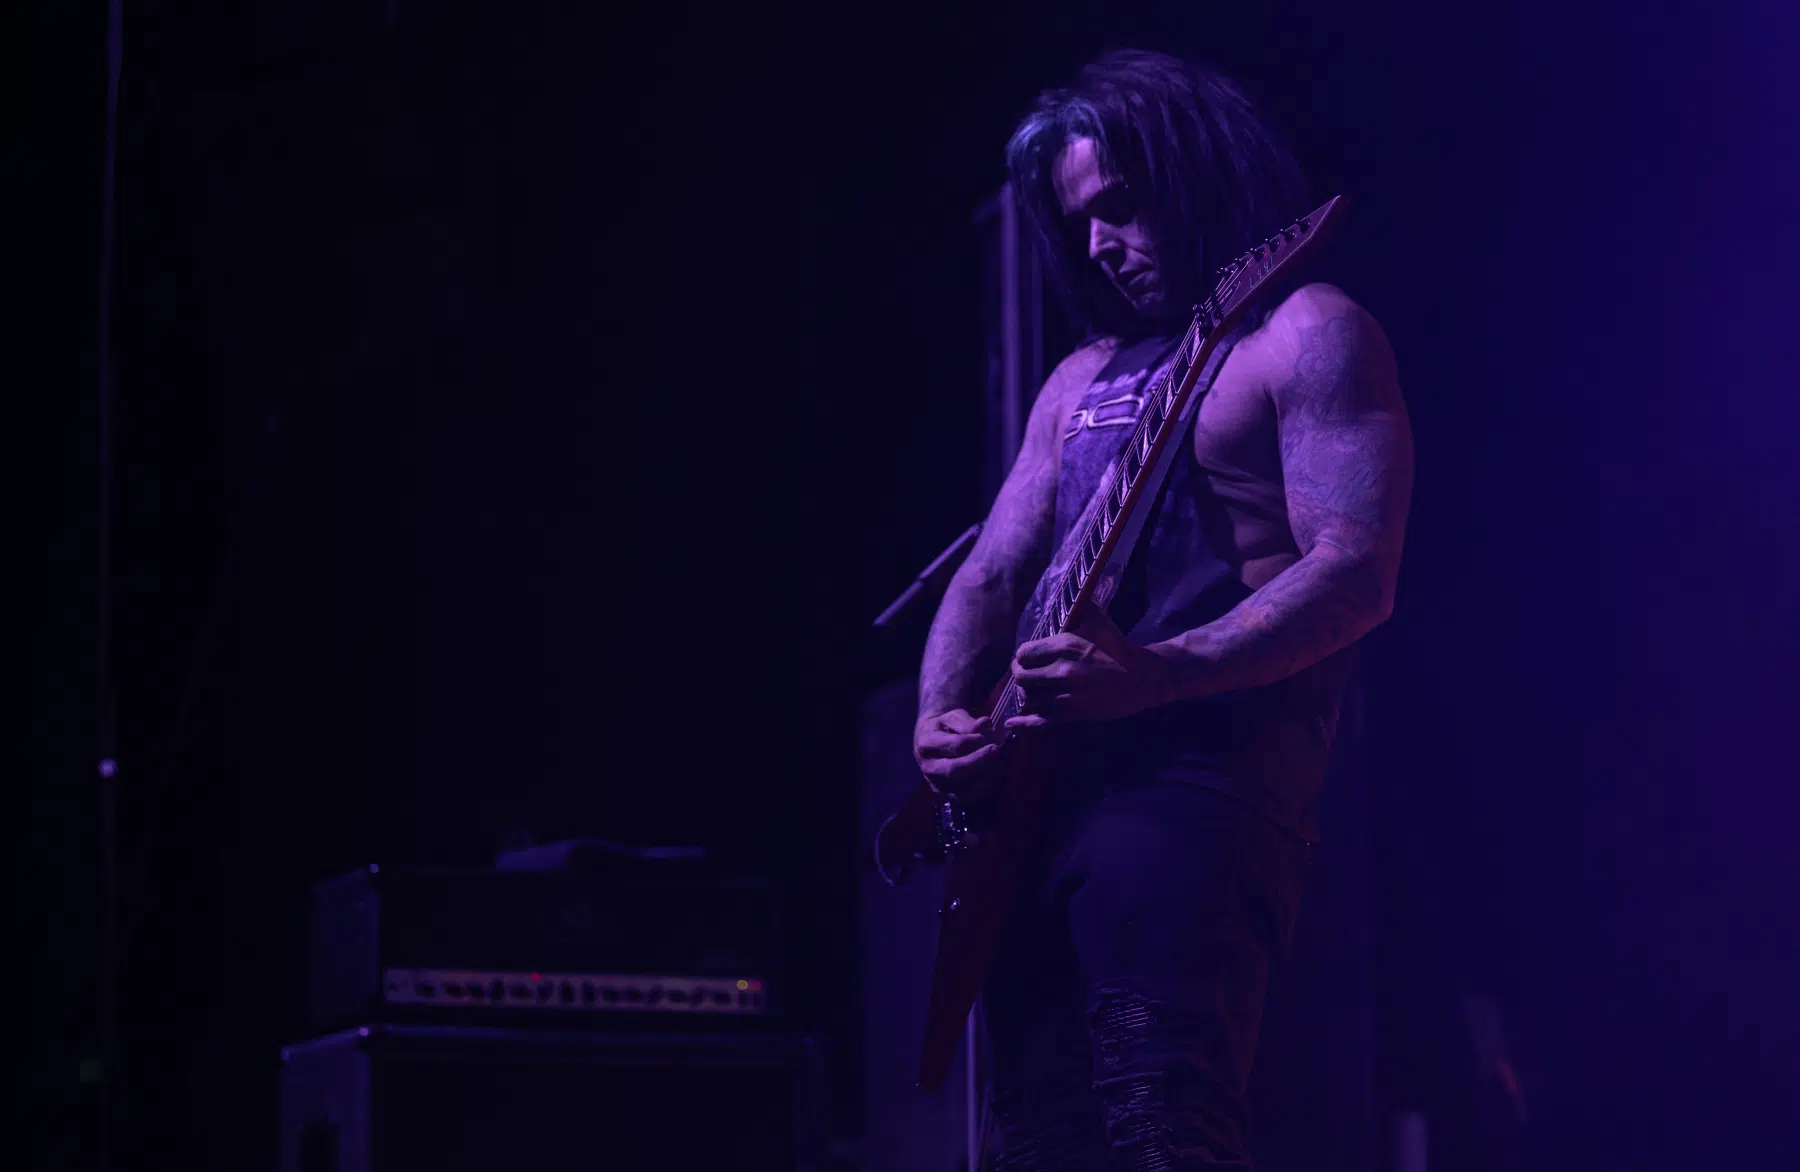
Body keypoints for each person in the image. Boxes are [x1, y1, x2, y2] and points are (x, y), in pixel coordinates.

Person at [911, 50, 1414, 1170]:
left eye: (1122, 205)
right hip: (1038, 802)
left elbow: (1355, 570)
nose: (1099, 243)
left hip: (1197, 790)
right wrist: (938, 717)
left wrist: (1158, 673)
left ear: (1197, 169)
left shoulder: (1308, 331)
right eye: (1078, 222)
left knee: (1160, 1119)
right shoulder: (1081, 378)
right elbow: (991, 573)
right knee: (1039, 1137)